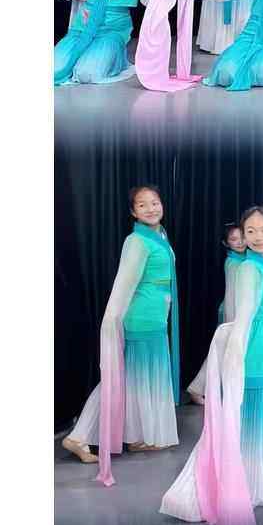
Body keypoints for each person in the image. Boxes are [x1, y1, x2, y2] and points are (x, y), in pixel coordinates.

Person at [160, 206, 263, 525]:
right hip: (256, 346)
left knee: (260, 418)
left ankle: (259, 483)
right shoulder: (248, 268)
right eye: (251, 231)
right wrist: (235, 356)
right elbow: (244, 315)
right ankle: (244, 486)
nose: (258, 237)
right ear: (243, 236)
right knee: (250, 418)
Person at [62, 185, 178, 485]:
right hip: (141, 317)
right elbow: (125, 282)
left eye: (155, 202)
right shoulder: (137, 241)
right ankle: (79, 436)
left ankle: (136, 436)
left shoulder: (159, 236)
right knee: (125, 378)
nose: (151, 208)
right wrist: (112, 320)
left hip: (155, 315)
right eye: (143, 205)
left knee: (138, 379)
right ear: (133, 212)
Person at [188, 224, 247, 404]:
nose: (240, 242)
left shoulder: (244, 260)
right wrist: (234, 321)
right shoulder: (234, 263)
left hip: (239, 315)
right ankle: (197, 388)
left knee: (225, 352)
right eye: (234, 239)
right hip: (234, 315)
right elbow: (232, 295)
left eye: (242, 237)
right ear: (226, 243)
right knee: (221, 352)